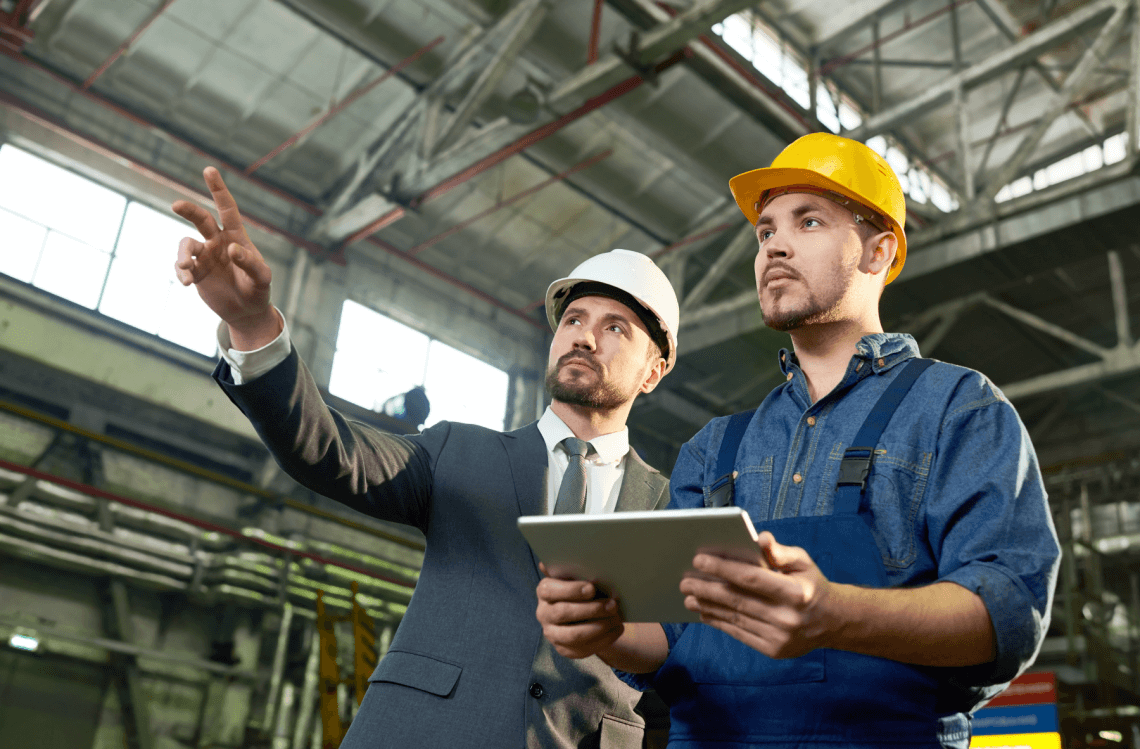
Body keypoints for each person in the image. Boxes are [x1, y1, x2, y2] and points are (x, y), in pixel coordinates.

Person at [535, 133, 1061, 749]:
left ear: (878, 251)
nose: (774, 246)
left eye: (808, 221)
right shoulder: (716, 448)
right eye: (764, 233)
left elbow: (1008, 612)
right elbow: (670, 636)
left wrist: (834, 613)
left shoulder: (956, 407)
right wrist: (603, 632)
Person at [171, 167, 682, 748]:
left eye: (615, 327)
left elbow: (689, 661)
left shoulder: (674, 501)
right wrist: (252, 324)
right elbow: (330, 450)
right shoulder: (458, 453)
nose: (584, 338)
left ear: (654, 370)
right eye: (573, 320)